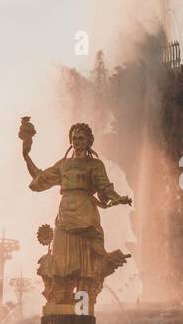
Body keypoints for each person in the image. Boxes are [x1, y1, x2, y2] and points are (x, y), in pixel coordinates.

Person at [24, 122, 131, 308]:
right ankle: (60, 299)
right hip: (65, 214)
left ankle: (83, 302)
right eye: (74, 138)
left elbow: (105, 188)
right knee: (59, 259)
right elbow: (40, 178)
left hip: (86, 213)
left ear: (89, 141)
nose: (77, 142)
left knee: (86, 261)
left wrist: (118, 198)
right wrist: (26, 156)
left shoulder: (95, 165)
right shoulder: (64, 164)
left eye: (81, 138)